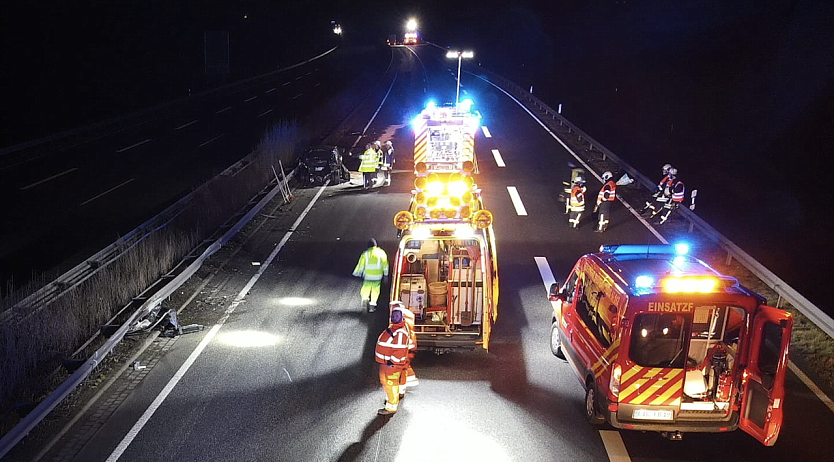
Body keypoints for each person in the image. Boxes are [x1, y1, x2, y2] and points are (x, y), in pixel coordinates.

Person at [374, 309, 415, 415]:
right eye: (393, 315)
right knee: (394, 381)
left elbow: (399, 350)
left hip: (392, 365)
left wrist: (392, 362)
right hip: (390, 364)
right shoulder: (397, 328)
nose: (394, 318)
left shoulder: (400, 332)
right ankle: (397, 395)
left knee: (390, 384)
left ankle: (391, 407)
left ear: (402, 318)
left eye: (397, 316)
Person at [352, 238, 388, 312]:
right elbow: (385, 265)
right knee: (375, 290)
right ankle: (372, 306)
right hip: (378, 276)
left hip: (368, 276)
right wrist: (386, 275)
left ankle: (365, 300)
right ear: (376, 245)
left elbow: (361, 265)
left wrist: (358, 273)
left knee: (366, 288)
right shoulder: (381, 253)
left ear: (368, 246)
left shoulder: (365, 254)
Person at [391, 301, 419, 398]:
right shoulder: (408, 316)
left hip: (404, 347)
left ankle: (401, 390)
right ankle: (409, 380)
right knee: (404, 366)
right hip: (409, 345)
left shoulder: (400, 319)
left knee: (401, 368)